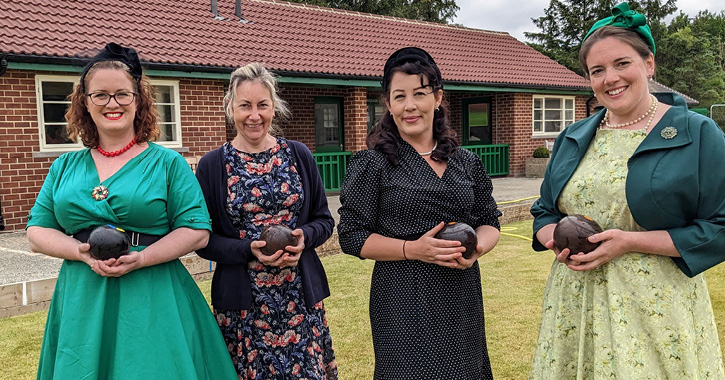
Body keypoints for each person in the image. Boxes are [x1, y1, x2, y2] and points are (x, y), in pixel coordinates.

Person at [530, 3, 725, 378]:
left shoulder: (697, 133)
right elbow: (544, 211)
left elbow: (720, 226)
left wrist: (630, 242)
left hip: (654, 307)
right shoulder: (573, 137)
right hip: (575, 302)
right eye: (597, 70)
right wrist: (557, 239)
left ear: (648, 64)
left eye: (622, 63)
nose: (610, 78)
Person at [26, 43, 237, 379]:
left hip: (153, 293)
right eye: (101, 95)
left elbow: (196, 230)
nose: (113, 103)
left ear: (138, 100)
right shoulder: (64, 166)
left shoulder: (167, 163)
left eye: (122, 94)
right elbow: (37, 232)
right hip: (83, 295)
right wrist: (79, 253)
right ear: (85, 101)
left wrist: (141, 257)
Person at [338, 47, 502, 380]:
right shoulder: (373, 163)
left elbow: (489, 221)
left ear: (438, 97)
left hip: (461, 292)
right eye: (399, 96)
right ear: (388, 104)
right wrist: (412, 249)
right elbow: (351, 236)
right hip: (401, 296)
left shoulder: (466, 162)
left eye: (419, 94)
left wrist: (477, 249)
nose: (409, 105)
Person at [195, 62, 338, 380]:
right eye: (245, 105)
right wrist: (249, 250)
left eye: (262, 105)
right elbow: (204, 240)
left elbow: (323, 220)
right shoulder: (212, 165)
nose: (254, 115)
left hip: (299, 299)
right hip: (244, 308)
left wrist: (304, 237)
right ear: (231, 107)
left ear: (274, 107)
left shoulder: (298, 155)